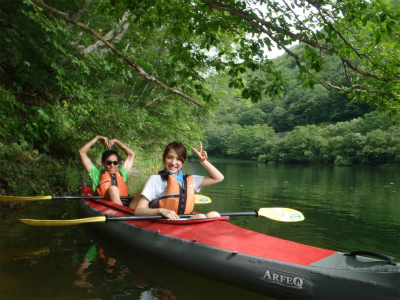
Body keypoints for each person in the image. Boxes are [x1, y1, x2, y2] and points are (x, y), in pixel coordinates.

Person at [131, 141, 224, 220]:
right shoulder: (156, 179)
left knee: (214, 215)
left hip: (184, 222)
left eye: (178, 159)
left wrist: (204, 162)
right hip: (163, 222)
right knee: (201, 217)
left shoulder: (191, 180)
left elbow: (218, 178)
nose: (173, 162)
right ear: (164, 159)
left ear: (183, 162)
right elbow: (139, 211)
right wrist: (161, 211)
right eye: (169, 157)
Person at [78, 135, 135, 205]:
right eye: (108, 162)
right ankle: (123, 213)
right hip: (106, 204)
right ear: (103, 163)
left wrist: (116, 141)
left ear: (117, 164)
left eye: (115, 163)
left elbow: (131, 154)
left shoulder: (122, 173)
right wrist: (97, 138)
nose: (112, 165)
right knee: (113, 188)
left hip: (124, 203)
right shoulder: (96, 174)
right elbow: (81, 152)